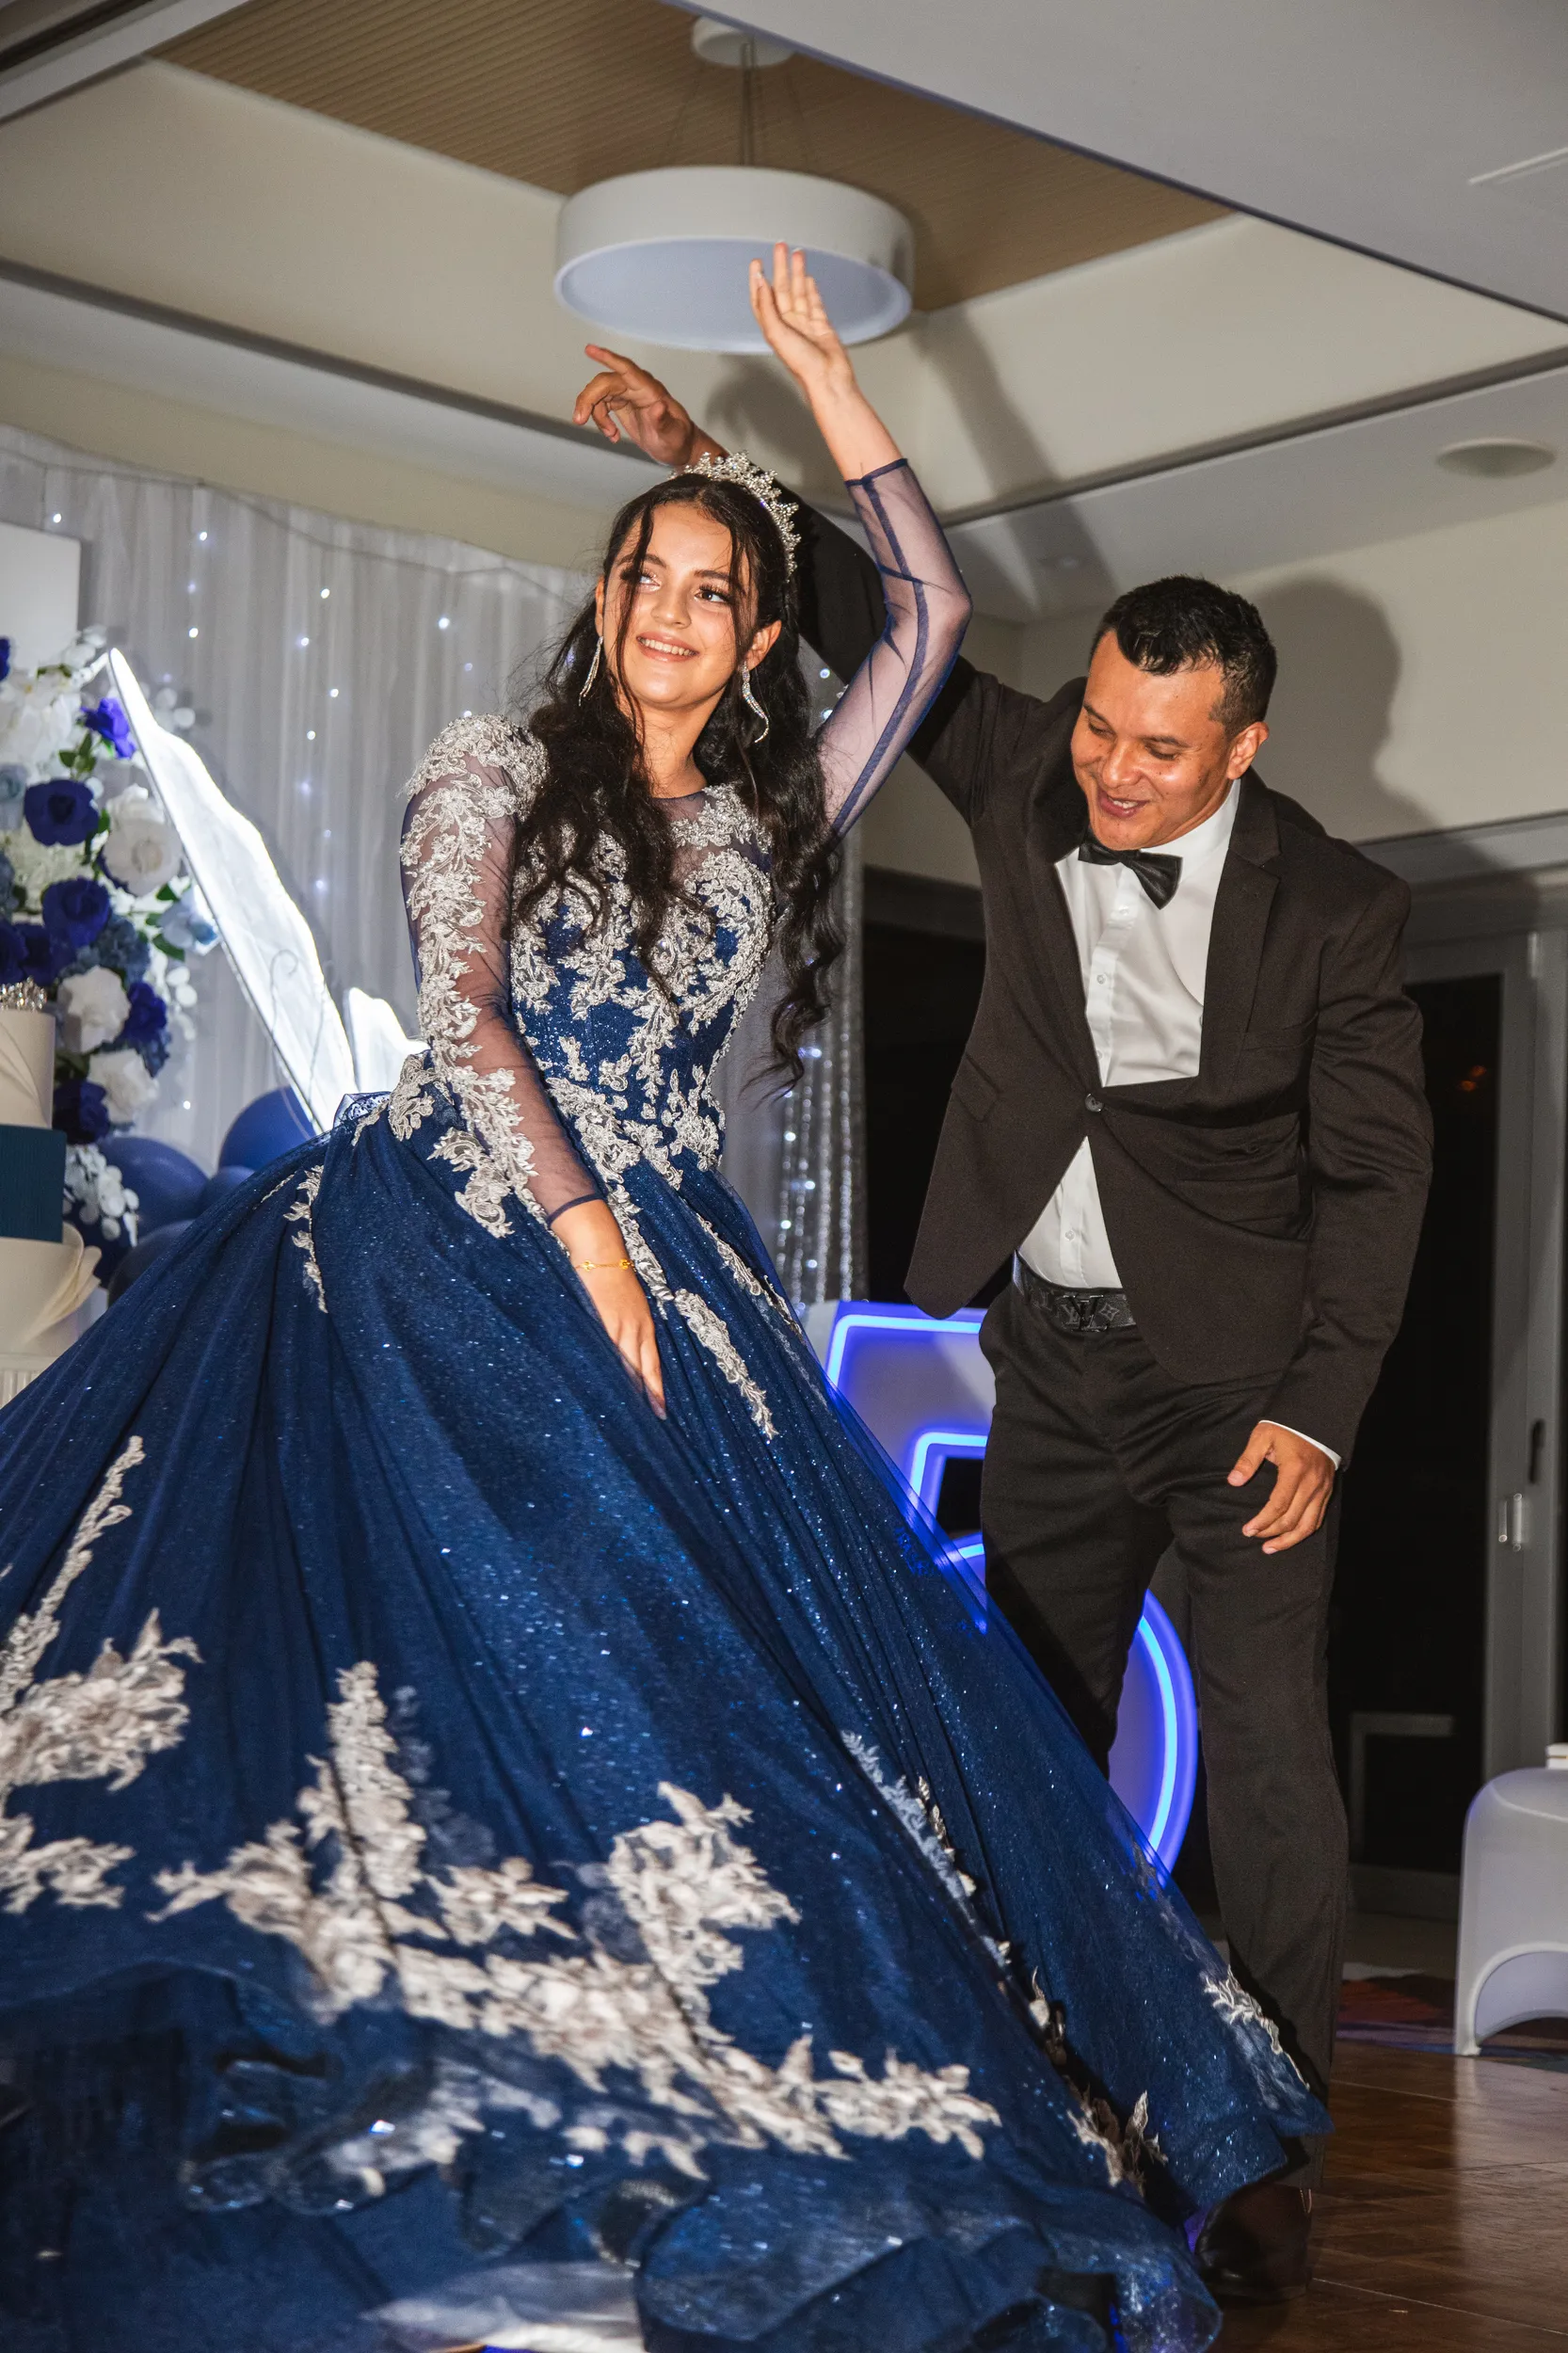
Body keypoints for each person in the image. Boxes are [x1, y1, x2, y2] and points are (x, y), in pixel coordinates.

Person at [0, 252, 1323, 2353]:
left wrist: (811, 382)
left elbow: (942, 618)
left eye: (714, 583)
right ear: (606, 596)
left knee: (718, 1696)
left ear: (754, 627)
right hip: (449, 1241)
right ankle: (425, 2084)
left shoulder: (775, 811)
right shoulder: (489, 763)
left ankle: (688, 2108)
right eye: (646, 574)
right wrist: (592, 1235)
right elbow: (458, 1013)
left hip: (663, 1275)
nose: (671, 610)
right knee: (486, 1658)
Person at [572, 340, 1432, 2305]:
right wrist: (703, 453)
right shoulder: (1029, 758)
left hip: (1237, 1392)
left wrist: (1316, 1410)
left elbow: (1380, 1178)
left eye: (1155, 748)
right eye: (1103, 728)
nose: (1108, 771)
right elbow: (873, 612)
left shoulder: (1338, 915)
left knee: (1273, 1761)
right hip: (1048, 1353)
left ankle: (1261, 2129)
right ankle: (1030, 2072)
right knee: (1017, 1725)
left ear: (1244, 747)